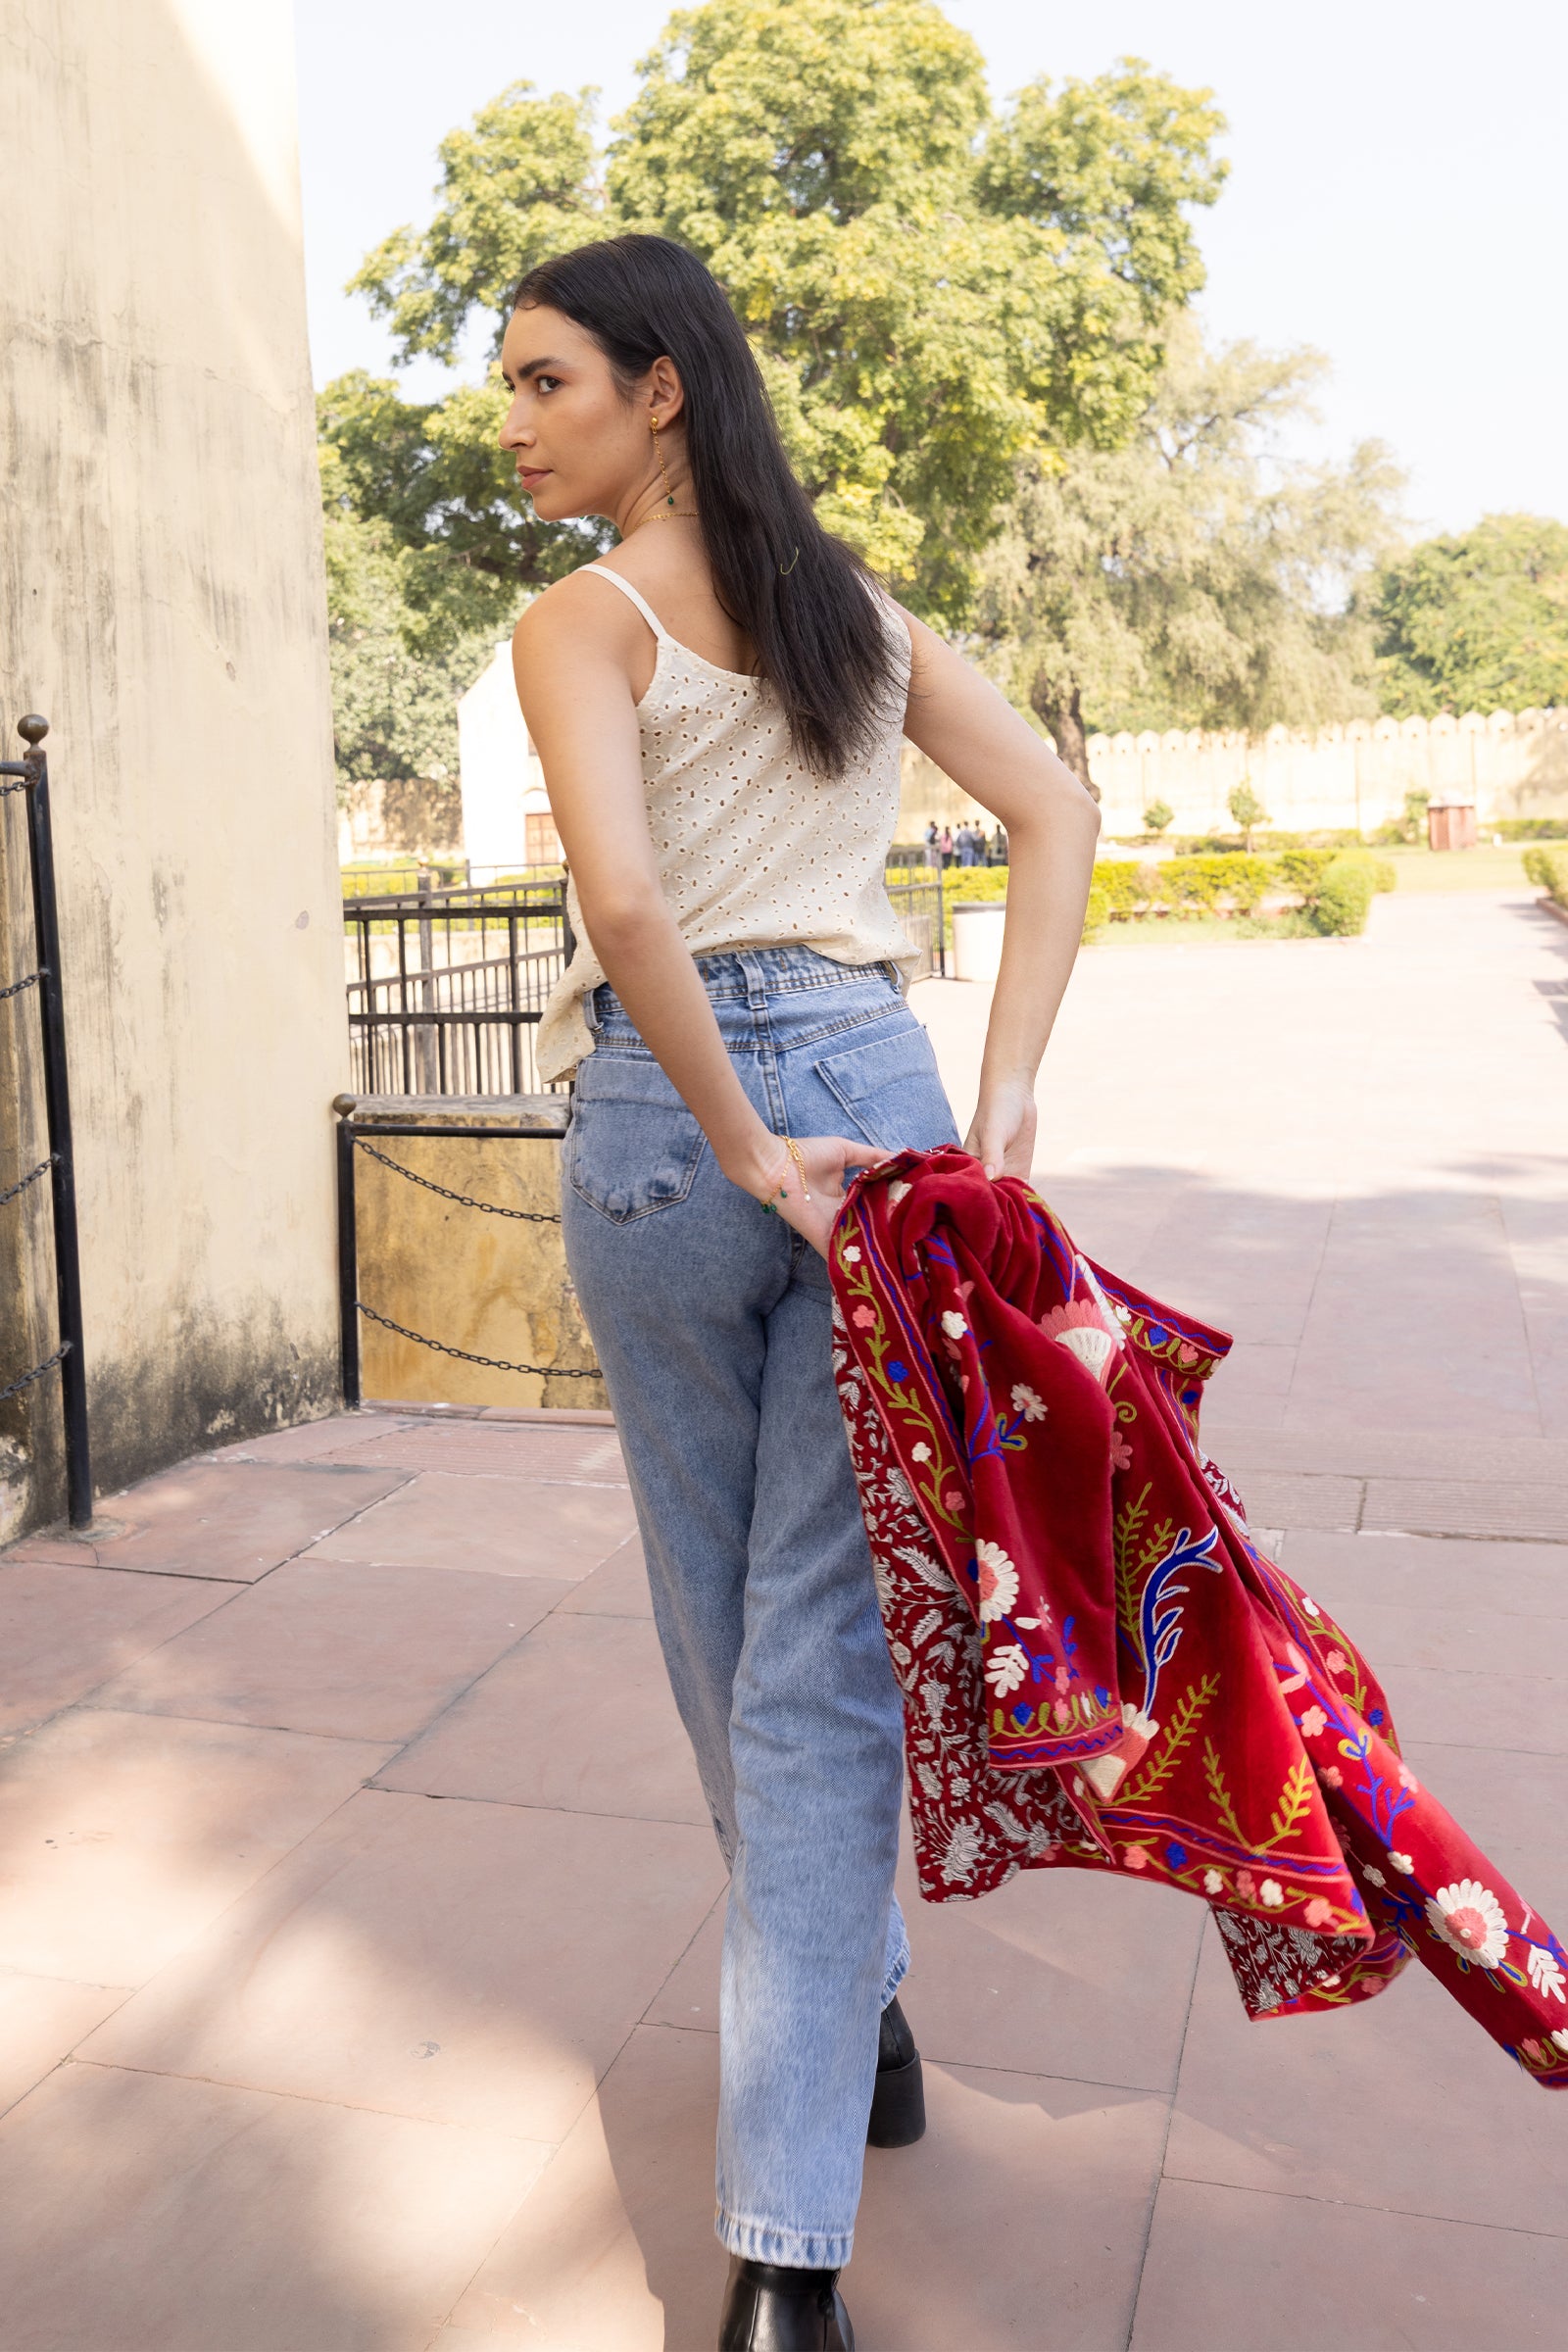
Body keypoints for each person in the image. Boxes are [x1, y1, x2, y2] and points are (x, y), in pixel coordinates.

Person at [503, 233, 1098, 2351]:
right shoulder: (850, 606)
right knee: (819, 1654)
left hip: (679, 1138)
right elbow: (1051, 808)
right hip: (880, 1090)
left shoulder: (577, 623)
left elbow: (630, 900)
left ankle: (781, 2243)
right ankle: (851, 2055)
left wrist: (748, 1153)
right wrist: (1001, 1096)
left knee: (724, 1641)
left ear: (661, 388)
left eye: (545, 379)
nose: (514, 422)